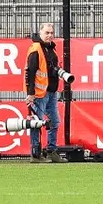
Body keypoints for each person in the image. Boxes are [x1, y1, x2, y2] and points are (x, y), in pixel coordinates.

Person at [24, 23, 65, 162]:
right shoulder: (36, 48)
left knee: (54, 122)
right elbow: (30, 72)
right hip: (39, 93)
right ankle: (35, 154)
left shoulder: (51, 48)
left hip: (51, 92)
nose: (50, 35)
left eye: (52, 33)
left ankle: (51, 151)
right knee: (37, 123)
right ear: (40, 33)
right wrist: (30, 94)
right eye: (47, 32)